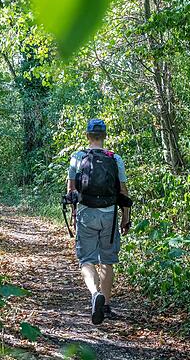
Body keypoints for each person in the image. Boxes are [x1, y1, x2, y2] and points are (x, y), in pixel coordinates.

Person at [66, 118, 131, 325]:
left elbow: (71, 191)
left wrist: (75, 215)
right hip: (110, 215)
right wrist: (126, 218)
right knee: (108, 260)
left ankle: (95, 294)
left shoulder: (78, 157)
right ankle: (106, 305)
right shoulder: (115, 158)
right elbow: (124, 192)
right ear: (104, 136)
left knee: (86, 260)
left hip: (86, 213)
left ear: (87, 136)